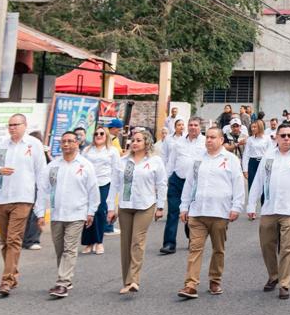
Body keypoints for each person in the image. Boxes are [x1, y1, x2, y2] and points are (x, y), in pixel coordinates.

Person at [246, 124, 290, 300]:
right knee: (266, 245)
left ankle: (285, 283)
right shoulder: (268, 157)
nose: (286, 138)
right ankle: (273, 275)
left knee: (288, 248)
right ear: (276, 138)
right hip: (269, 208)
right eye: (283, 135)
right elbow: (258, 182)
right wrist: (250, 205)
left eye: (289, 136)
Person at [0, 113, 46, 296]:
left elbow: (41, 174)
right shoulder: (1, 147)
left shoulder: (34, 145)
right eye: (9, 125)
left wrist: (40, 205)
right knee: (5, 241)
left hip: (23, 198)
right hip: (2, 199)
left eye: (16, 125)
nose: (12, 128)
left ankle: (7, 280)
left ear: (24, 125)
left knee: (13, 239)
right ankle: (12, 274)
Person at [178, 126, 245, 299]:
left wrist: (236, 207)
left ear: (221, 140)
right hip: (198, 211)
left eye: (213, 137)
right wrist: (184, 207)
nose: (208, 140)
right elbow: (189, 184)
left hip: (220, 212)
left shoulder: (231, 160)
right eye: (207, 137)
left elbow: (238, 184)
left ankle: (215, 280)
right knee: (195, 248)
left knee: (218, 249)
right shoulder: (198, 160)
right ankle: (191, 284)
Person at [35, 131, 100, 298]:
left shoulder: (85, 165)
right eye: (63, 141)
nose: (66, 144)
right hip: (57, 214)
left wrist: (91, 211)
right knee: (60, 249)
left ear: (77, 143)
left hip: (77, 214)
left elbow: (93, 190)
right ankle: (65, 279)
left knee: (70, 249)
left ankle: (62, 282)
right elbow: (43, 190)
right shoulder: (53, 166)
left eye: (70, 141)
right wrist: (40, 213)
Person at [109, 128, 166, 294]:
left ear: (146, 143)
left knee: (137, 241)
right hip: (126, 205)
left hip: (146, 205)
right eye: (133, 140)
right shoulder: (123, 161)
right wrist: (111, 208)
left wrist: (160, 206)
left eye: (139, 140)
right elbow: (115, 185)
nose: (134, 143)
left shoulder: (155, 161)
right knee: (125, 243)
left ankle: (134, 280)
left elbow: (162, 184)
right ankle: (126, 281)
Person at [160, 117, 203, 255]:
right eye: (190, 125)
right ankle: (169, 243)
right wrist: (165, 179)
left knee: (192, 213)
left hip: (195, 183)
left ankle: (192, 237)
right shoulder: (178, 143)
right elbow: (171, 162)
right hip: (177, 181)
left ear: (200, 127)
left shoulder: (205, 143)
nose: (193, 127)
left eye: (196, 125)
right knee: (173, 212)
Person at [81, 127, 120, 256]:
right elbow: (82, 166)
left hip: (105, 183)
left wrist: (115, 187)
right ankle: (88, 242)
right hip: (89, 184)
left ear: (106, 135)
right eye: (96, 133)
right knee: (88, 212)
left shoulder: (112, 151)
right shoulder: (87, 150)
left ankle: (99, 242)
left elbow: (116, 169)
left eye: (102, 133)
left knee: (99, 210)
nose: (99, 135)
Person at [243, 119, 270, 191]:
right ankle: (252, 202)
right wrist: (245, 170)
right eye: (252, 127)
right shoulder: (250, 139)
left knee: (265, 186)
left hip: (264, 162)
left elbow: (270, 153)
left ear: (260, 127)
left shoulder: (267, 138)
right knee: (252, 185)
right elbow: (246, 155)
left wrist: (270, 167)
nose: (252, 129)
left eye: (255, 127)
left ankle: (264, 202)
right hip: (252, 163)